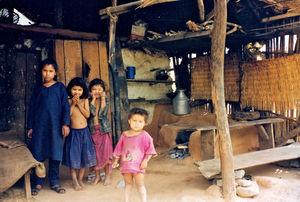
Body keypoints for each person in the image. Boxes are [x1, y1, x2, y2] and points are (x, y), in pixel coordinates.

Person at [27, 59, 70, 195]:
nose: (48, 73)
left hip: (55, 126)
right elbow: (32, 108)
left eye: (51, 71)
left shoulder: (60, 87)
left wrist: (65, 124)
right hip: (39, 126)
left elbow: (65, 106)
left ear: (55, 73)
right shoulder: (38, 89)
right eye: (45, 70)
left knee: (55, 153)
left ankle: (54, 182)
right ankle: (38, 183)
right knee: (38, 153)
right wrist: (30, 126)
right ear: (41, 72)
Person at [112, 108, 157, 202]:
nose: (137, 124)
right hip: (126, 165)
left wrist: (145, 161)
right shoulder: (124, 135)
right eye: (134, 121)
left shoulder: (145, 135)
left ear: (145, 123)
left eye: (140, 121)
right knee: (128, 184)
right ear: (129, 121)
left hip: (139, 166)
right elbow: (118, 149)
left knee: (140, 185)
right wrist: (116, 161)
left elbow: (150, 150)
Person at [62, 77, 97, 191]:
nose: (77, 92)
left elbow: (87, 115)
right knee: (74, 158)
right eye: (74, 89)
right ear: (70, 90)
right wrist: (73, 104)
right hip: (74, 134)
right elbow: (69, 115)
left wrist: (79, 104)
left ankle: (80, 179)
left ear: (83, 91)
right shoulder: (68, 101)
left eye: (79, 90)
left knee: (83, 157)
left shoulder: (85, 100)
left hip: (84, 133)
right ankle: (75, 181)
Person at [88, 78, 113, 185]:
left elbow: (102, 113)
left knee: (106, 154)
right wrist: (93, 99)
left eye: (99, 89)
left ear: (103, 90)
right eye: (94, 89)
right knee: (96, 155)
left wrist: (102, 98)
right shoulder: (88, 102)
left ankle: (107, 176)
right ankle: (97, 176)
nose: (97, 91)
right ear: (90, 91)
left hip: (103, 131)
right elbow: (91, 113)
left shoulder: (105, 101)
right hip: (93, 131)